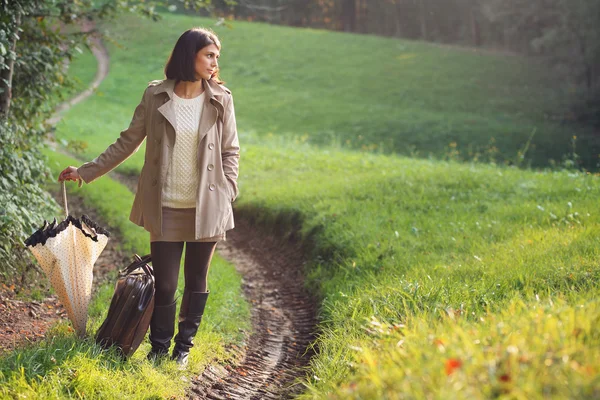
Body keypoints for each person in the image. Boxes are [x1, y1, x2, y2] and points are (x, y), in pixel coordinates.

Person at [58, 27, 240, 368]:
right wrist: (86, 171)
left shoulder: (221, 98)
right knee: (167, 283)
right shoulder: (156, 95)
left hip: (207, 204)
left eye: (217, 56)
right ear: (190, 56)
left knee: (197, 280)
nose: (216, 62)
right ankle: (158, 351)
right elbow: (127, 141)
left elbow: (231, 151)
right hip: (166, 204)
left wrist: (228, 189)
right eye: (209, 55)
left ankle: (182, 350)